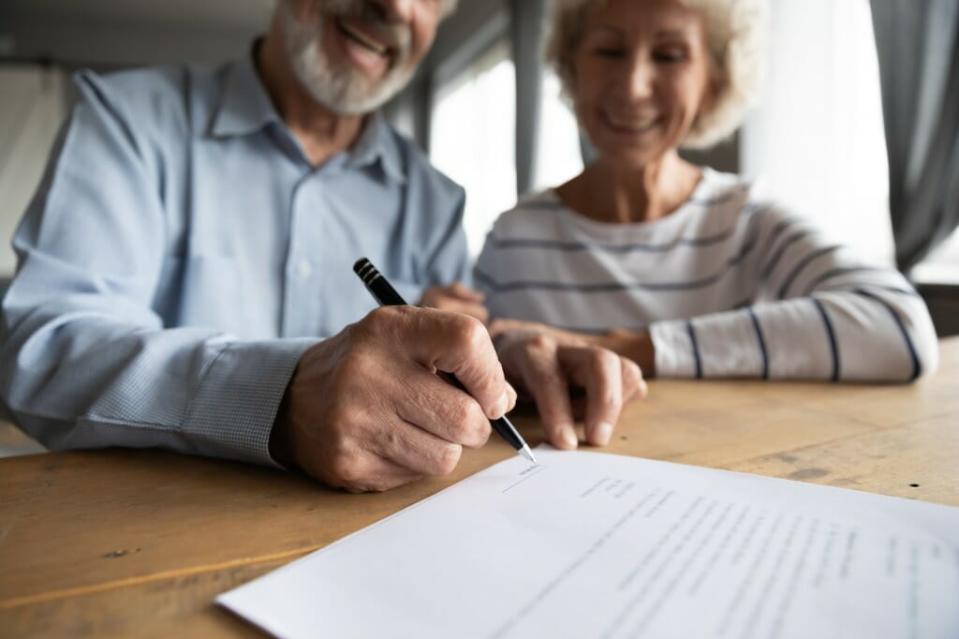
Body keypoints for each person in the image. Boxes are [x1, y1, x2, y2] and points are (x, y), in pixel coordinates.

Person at [0, 0, 644, 493]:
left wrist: (507, 362)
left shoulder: (434, 199)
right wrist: (277, 396)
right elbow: (40, 351)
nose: (395, 5)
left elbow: (444, 358)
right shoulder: (127, 123)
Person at [476, 0, 939, 383]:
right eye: (610, 51)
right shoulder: (513, 235)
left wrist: (628, 349)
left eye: (670, 55)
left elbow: (901, 328)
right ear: (572, 68)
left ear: (713, 82)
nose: (634, 87)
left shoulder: (745, 219)